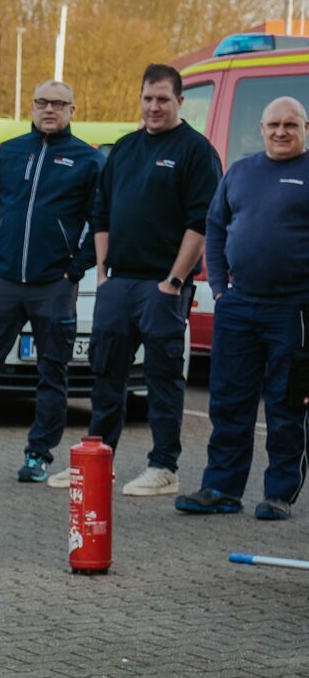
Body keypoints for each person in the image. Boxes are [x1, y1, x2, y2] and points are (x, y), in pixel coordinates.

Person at [49, 64, 221, 494]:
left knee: (162, 378)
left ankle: (164, 467)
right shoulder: (124, 149)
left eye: (163, 99)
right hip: (118, 285)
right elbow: (101, 212)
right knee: (107, 373)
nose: (154, 107)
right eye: (148, 98)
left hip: (162, 287)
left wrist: (174, 282)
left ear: (180, 102)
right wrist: (104, 274)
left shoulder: (196, 152)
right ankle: (98, 458)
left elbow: (201, 222)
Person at [175, 95, 309, 520]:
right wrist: (219, 288)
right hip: (238, 306)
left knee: (287, 406)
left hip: (294, 310)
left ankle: (279, 494)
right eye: (274, 125)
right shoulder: (241, 171)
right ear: (263, 128)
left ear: (306, 128)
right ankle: (221, 489)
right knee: (230, 402)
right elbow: (215, 226)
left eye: (291, 124)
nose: (281, 131)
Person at [0, 82, 97, 481]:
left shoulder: (87, 160)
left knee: (52, 374)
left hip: (53, 285)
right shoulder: (8, 152)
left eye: (58, 103)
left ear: (73, 108)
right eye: (42, 103)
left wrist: (76, 268)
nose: (49, 110)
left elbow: (104, 220)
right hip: (1, 281)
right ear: (32, 107)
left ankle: (38, 455)